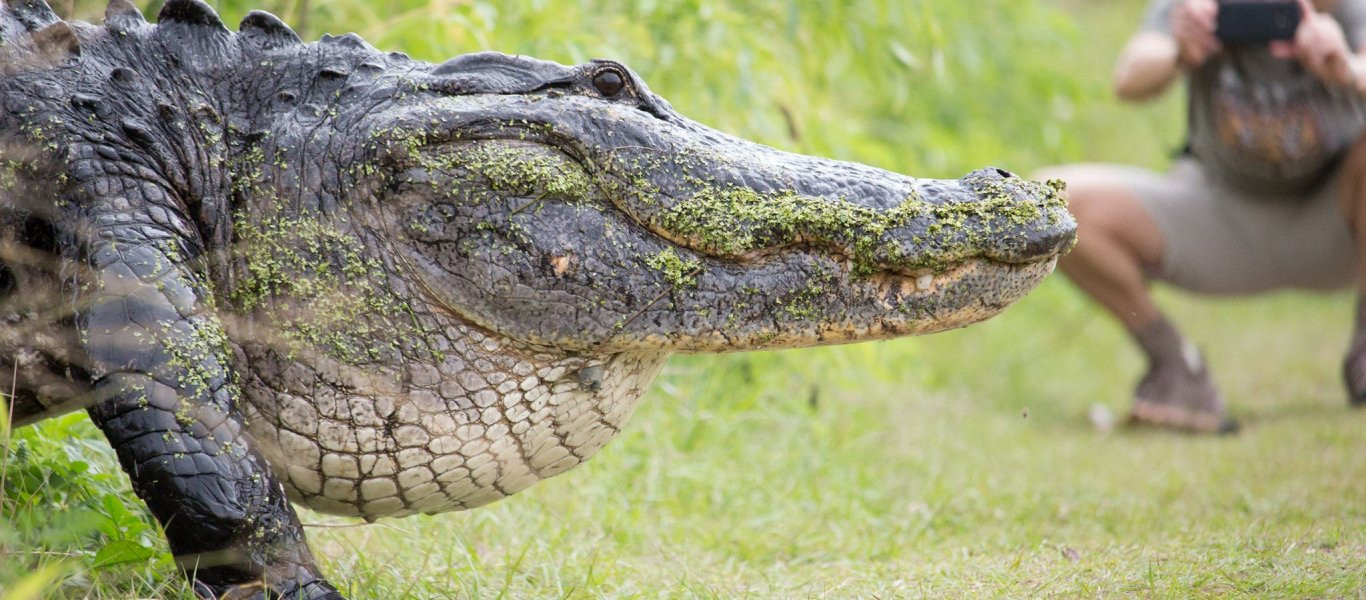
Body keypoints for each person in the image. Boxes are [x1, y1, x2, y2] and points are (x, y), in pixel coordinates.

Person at [1040, 0, 1366, 433]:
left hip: (1334, 220)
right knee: (1050, 205)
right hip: (1219, 215)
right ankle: (1176, 365)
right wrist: (1179, 50)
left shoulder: (1342, 8)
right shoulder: (1198, 7)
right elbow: (1129, 77)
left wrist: (1345, 66)